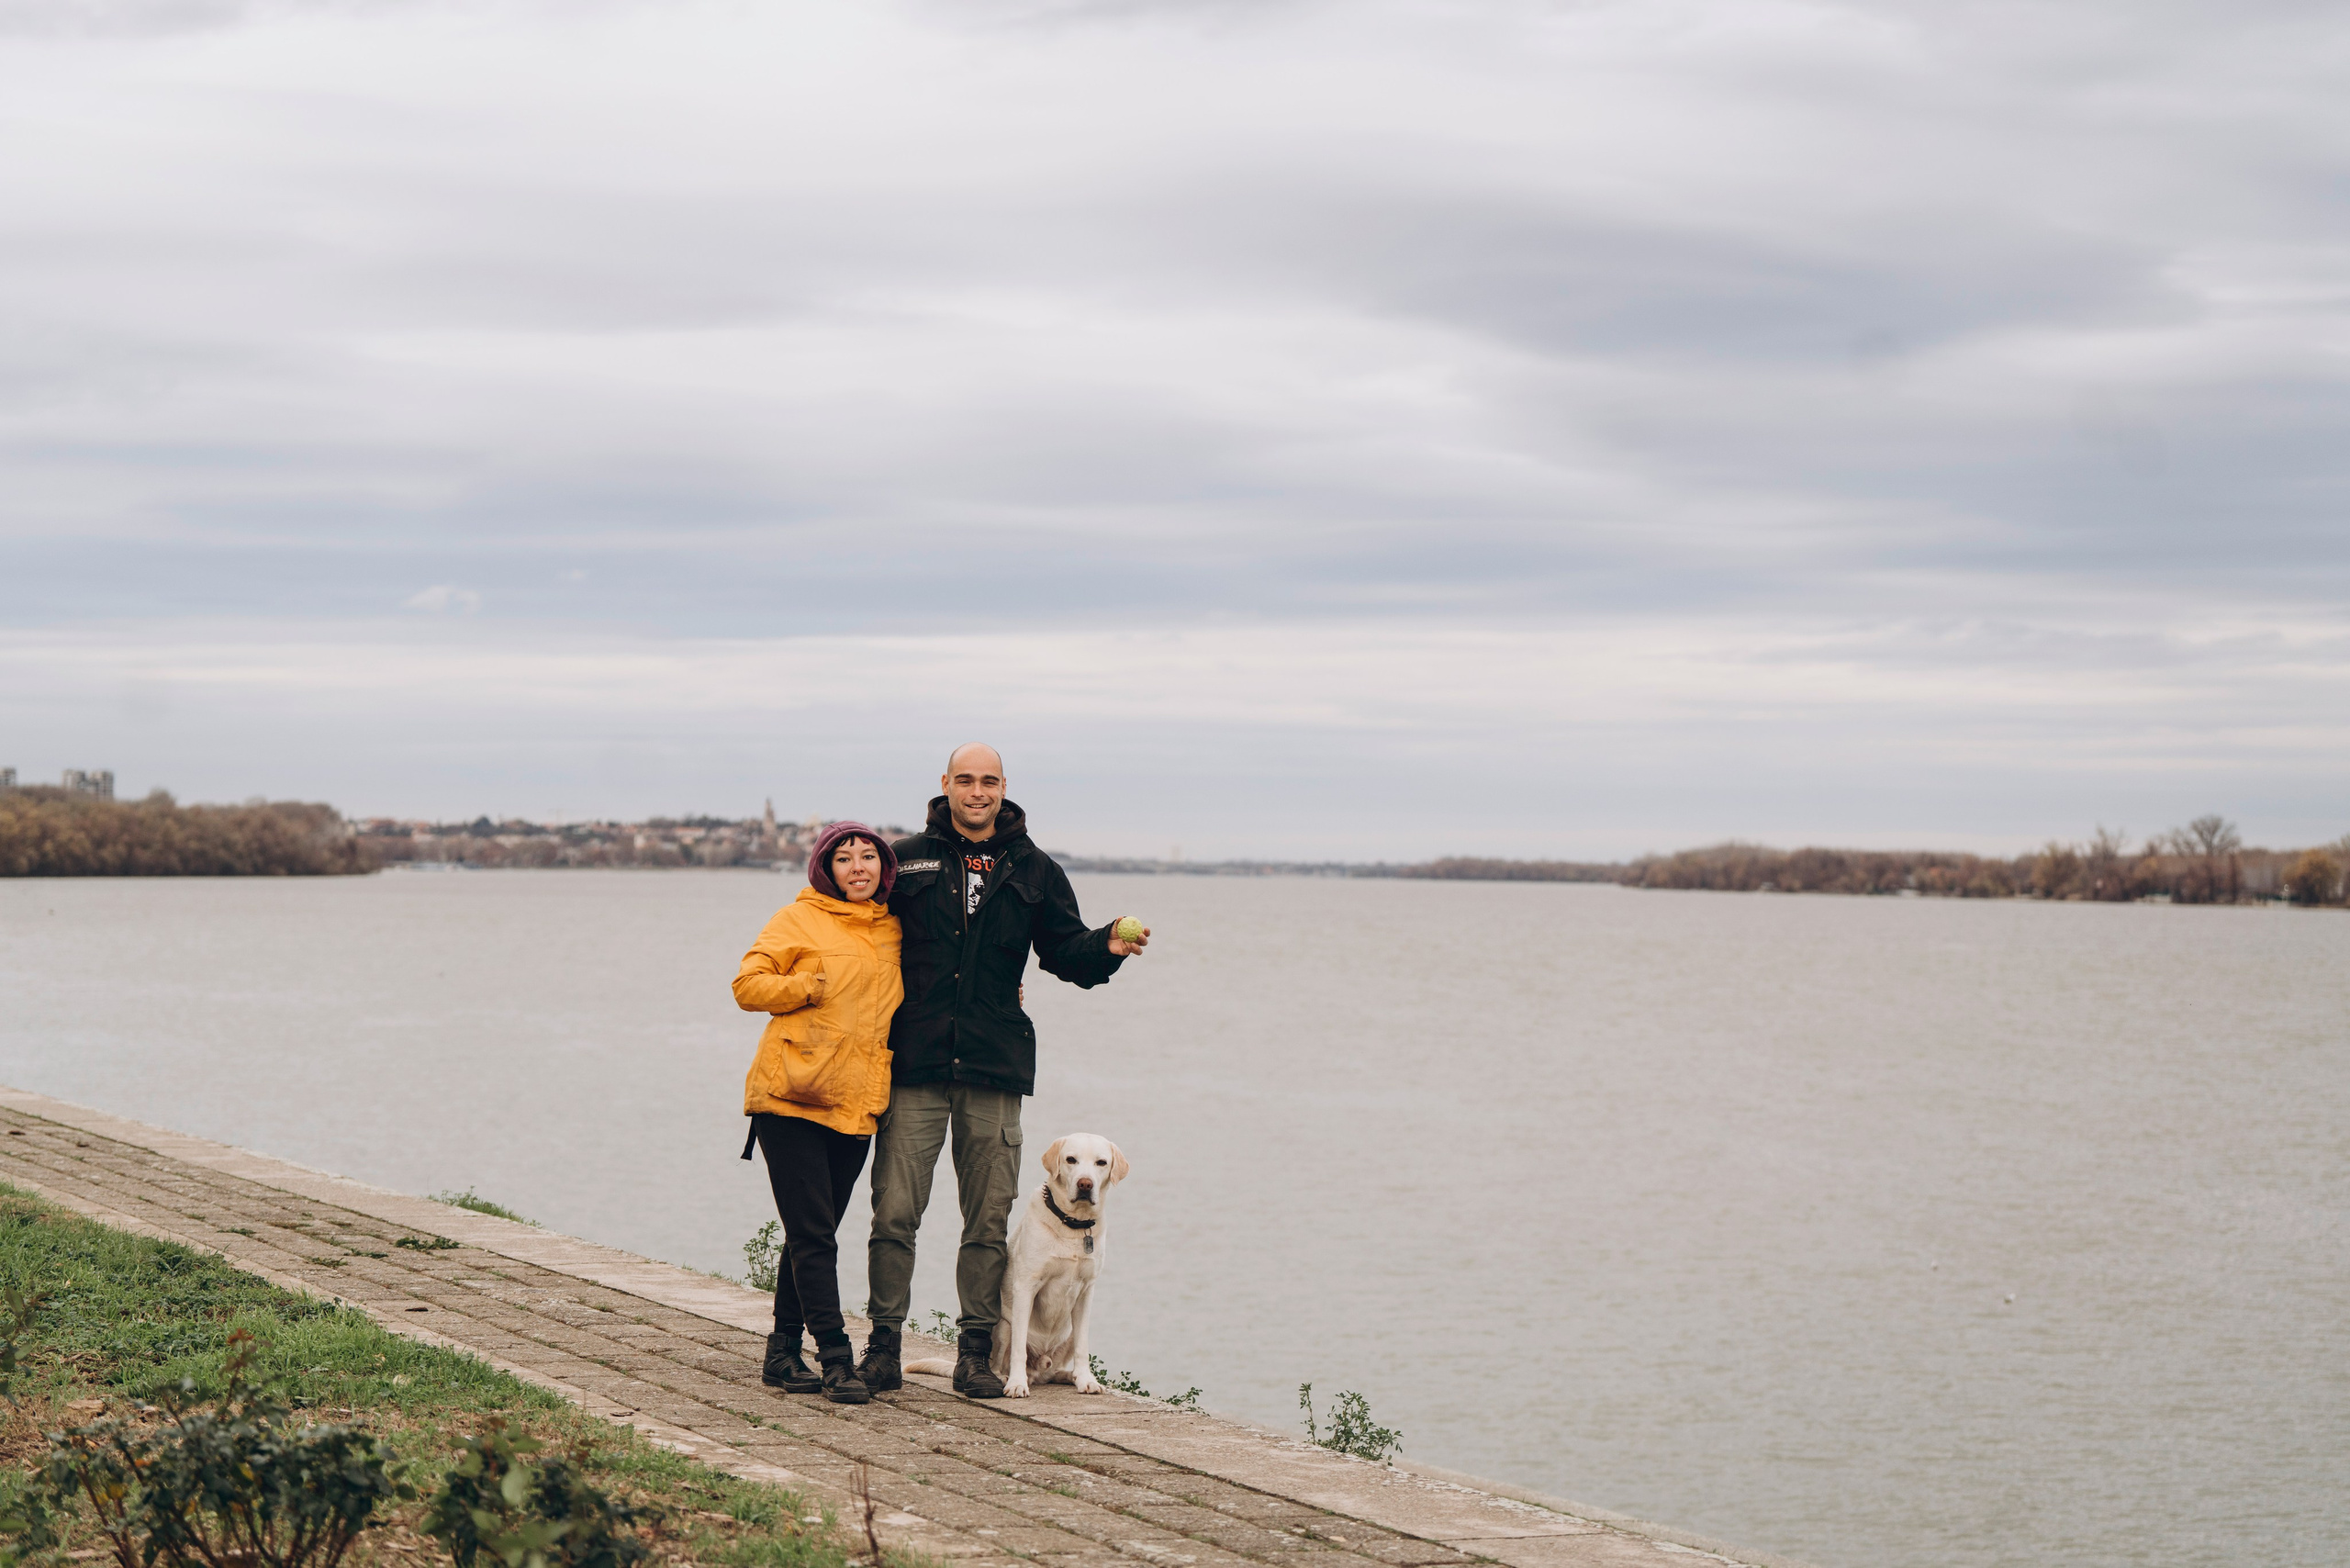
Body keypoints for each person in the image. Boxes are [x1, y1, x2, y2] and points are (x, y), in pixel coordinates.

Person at [856, 744, 1149, 1398]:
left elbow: (1066, 950)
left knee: (987, 1221)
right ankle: (881, 1346)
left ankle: (974, 1354)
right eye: (966, 780)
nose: (978, 791)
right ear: (946, 786)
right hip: (915, 1061)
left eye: (989, 781)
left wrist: (1108, 946)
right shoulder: (904, 860)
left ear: (1003, 788)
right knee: (895, 1212)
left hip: (995, 1065)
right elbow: (858, 932)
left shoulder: (1034, 868)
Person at [733, 821, 903, 1405]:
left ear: (885, 868)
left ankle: (781, 1353)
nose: (859, 868)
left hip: (857, 1103)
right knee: (813, 1235)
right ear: (825, 870)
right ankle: (835, 1357)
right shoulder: (798, 918)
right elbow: (748, 985)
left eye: (869, 858)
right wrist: (810, 984)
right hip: (791, 1096)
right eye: (844, 859)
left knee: (814, 1231)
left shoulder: (892, 930)